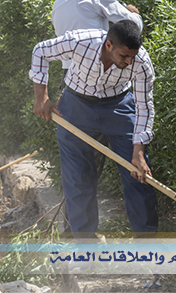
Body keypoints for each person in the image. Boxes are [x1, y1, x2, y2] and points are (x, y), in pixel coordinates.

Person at [30, 20, 158, 237]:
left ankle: (147, 240)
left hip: (118, 107)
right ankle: (85, 242)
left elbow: (144, 106)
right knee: (78, 177)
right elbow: (40, 51)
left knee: (137, 172)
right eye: (124, 56)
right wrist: (41, 97)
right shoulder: (80, 42)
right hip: (76, 108)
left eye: (132, 56)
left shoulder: (141, 62)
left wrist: (138, 150)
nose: (129, 61)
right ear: (108, 45)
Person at [52, 0, 144, 179]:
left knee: (80, 162)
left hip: (71, 84)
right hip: (101, 79)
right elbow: (133, 26)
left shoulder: (58, 4)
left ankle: (75, 203)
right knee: (125, 153)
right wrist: (133, 13)